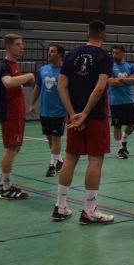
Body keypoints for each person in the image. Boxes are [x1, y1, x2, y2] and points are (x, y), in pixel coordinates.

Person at [52, 20, 115, 224]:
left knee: (70, 158)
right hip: (94, 116)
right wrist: (85, 113)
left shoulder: (71, 55)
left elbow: (61, 86)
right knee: (95, 160)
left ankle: (60, 207)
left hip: (74, 116)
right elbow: (100, 87)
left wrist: (73, 114)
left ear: (86, 34)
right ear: (104, 36)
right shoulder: (105, 57)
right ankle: (89, 210)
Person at [0, 33, 35, 200]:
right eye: (18, 44)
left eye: (22, 44)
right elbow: (8, 82)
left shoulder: (13, 66)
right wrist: (29, 76)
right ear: (9, 46)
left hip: (17, 114)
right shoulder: (5, 66)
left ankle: (0, 182)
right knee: (11, 148)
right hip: (10, 114)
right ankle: (6, 188)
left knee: (15, 148)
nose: (21, 47)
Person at [28, 44, 66, 177]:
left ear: (60, 54)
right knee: (50, 138)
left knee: (56, 138)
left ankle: (52, 165)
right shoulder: (43, 69)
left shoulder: (65, 71)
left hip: (59, 111)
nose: (49, 54)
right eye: (49, 51)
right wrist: (32, 104)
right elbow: (37, 88)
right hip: (45, 111)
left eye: (52, 52)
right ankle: (59, 161)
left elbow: (70, 91)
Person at [108, 45, 134, 159]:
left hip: (129, 100)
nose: (114, 55)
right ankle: (120, 148)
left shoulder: (130, 66)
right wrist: (127, 81)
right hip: (116, 102)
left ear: (123, 53)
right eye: (113, 53)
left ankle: (124, 141)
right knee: (117, 125)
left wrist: (120, 79)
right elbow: (111, 83)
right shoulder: (110, 66)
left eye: (116, 53)